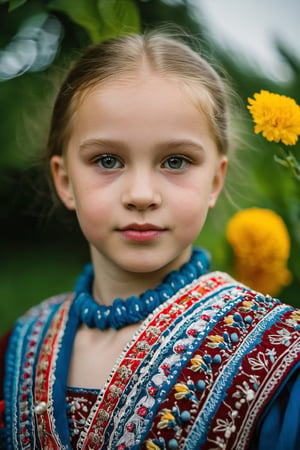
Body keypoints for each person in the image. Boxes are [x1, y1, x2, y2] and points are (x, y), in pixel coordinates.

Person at [1, 30, 300, 450]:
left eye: (175, 161)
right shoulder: (19, 346)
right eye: (108, 160)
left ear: (215, 179)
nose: (141, 195)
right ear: (65, 181)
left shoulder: (283, 356)